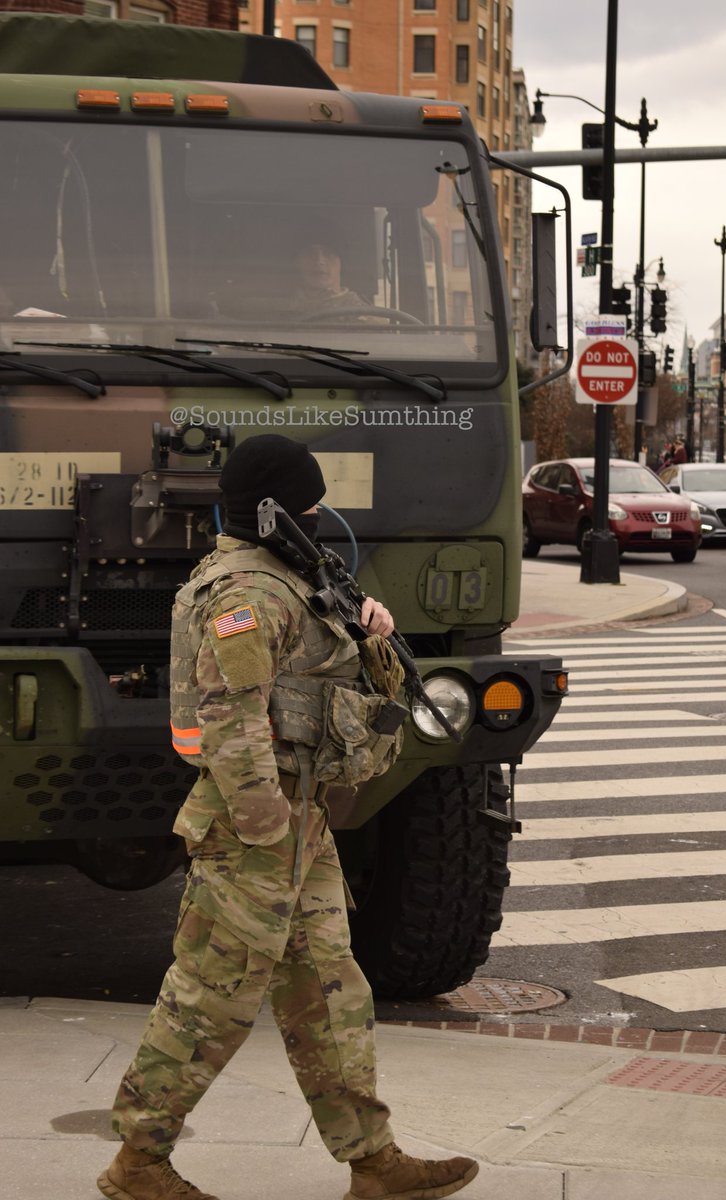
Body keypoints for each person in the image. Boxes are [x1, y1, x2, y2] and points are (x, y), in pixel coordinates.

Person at [97, 434, 478, 1200]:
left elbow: (336, 695)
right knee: (212, 995)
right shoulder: (247, 596)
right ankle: (138, 1161)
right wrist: (266, 831)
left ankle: (373, 1162)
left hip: (293, 822)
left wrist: (372, 638)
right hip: (255, 826)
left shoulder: (291, 582)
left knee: (331, 991)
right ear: (272, 510)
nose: (318, 515)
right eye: (307, 504)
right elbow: (230, 724)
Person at [289, 233, 369, 314]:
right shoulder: (282, 307)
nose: (319, 261)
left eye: (328, 253)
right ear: (297, 262)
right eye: (310, 254)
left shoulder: (362, 312)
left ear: (342, 262)